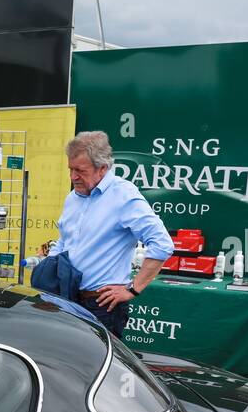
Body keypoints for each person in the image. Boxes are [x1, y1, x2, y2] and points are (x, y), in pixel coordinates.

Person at [48, 131, 173, 335]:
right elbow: (64, 241)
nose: (73, 177)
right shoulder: (73, 198)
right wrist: (49, 271)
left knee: (95, 366)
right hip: (67, 298)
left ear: (103, 168)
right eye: (70, 169)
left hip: (102, 306)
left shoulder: (123, 195)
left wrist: (132, 289)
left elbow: (162, 244)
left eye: (80, 170)